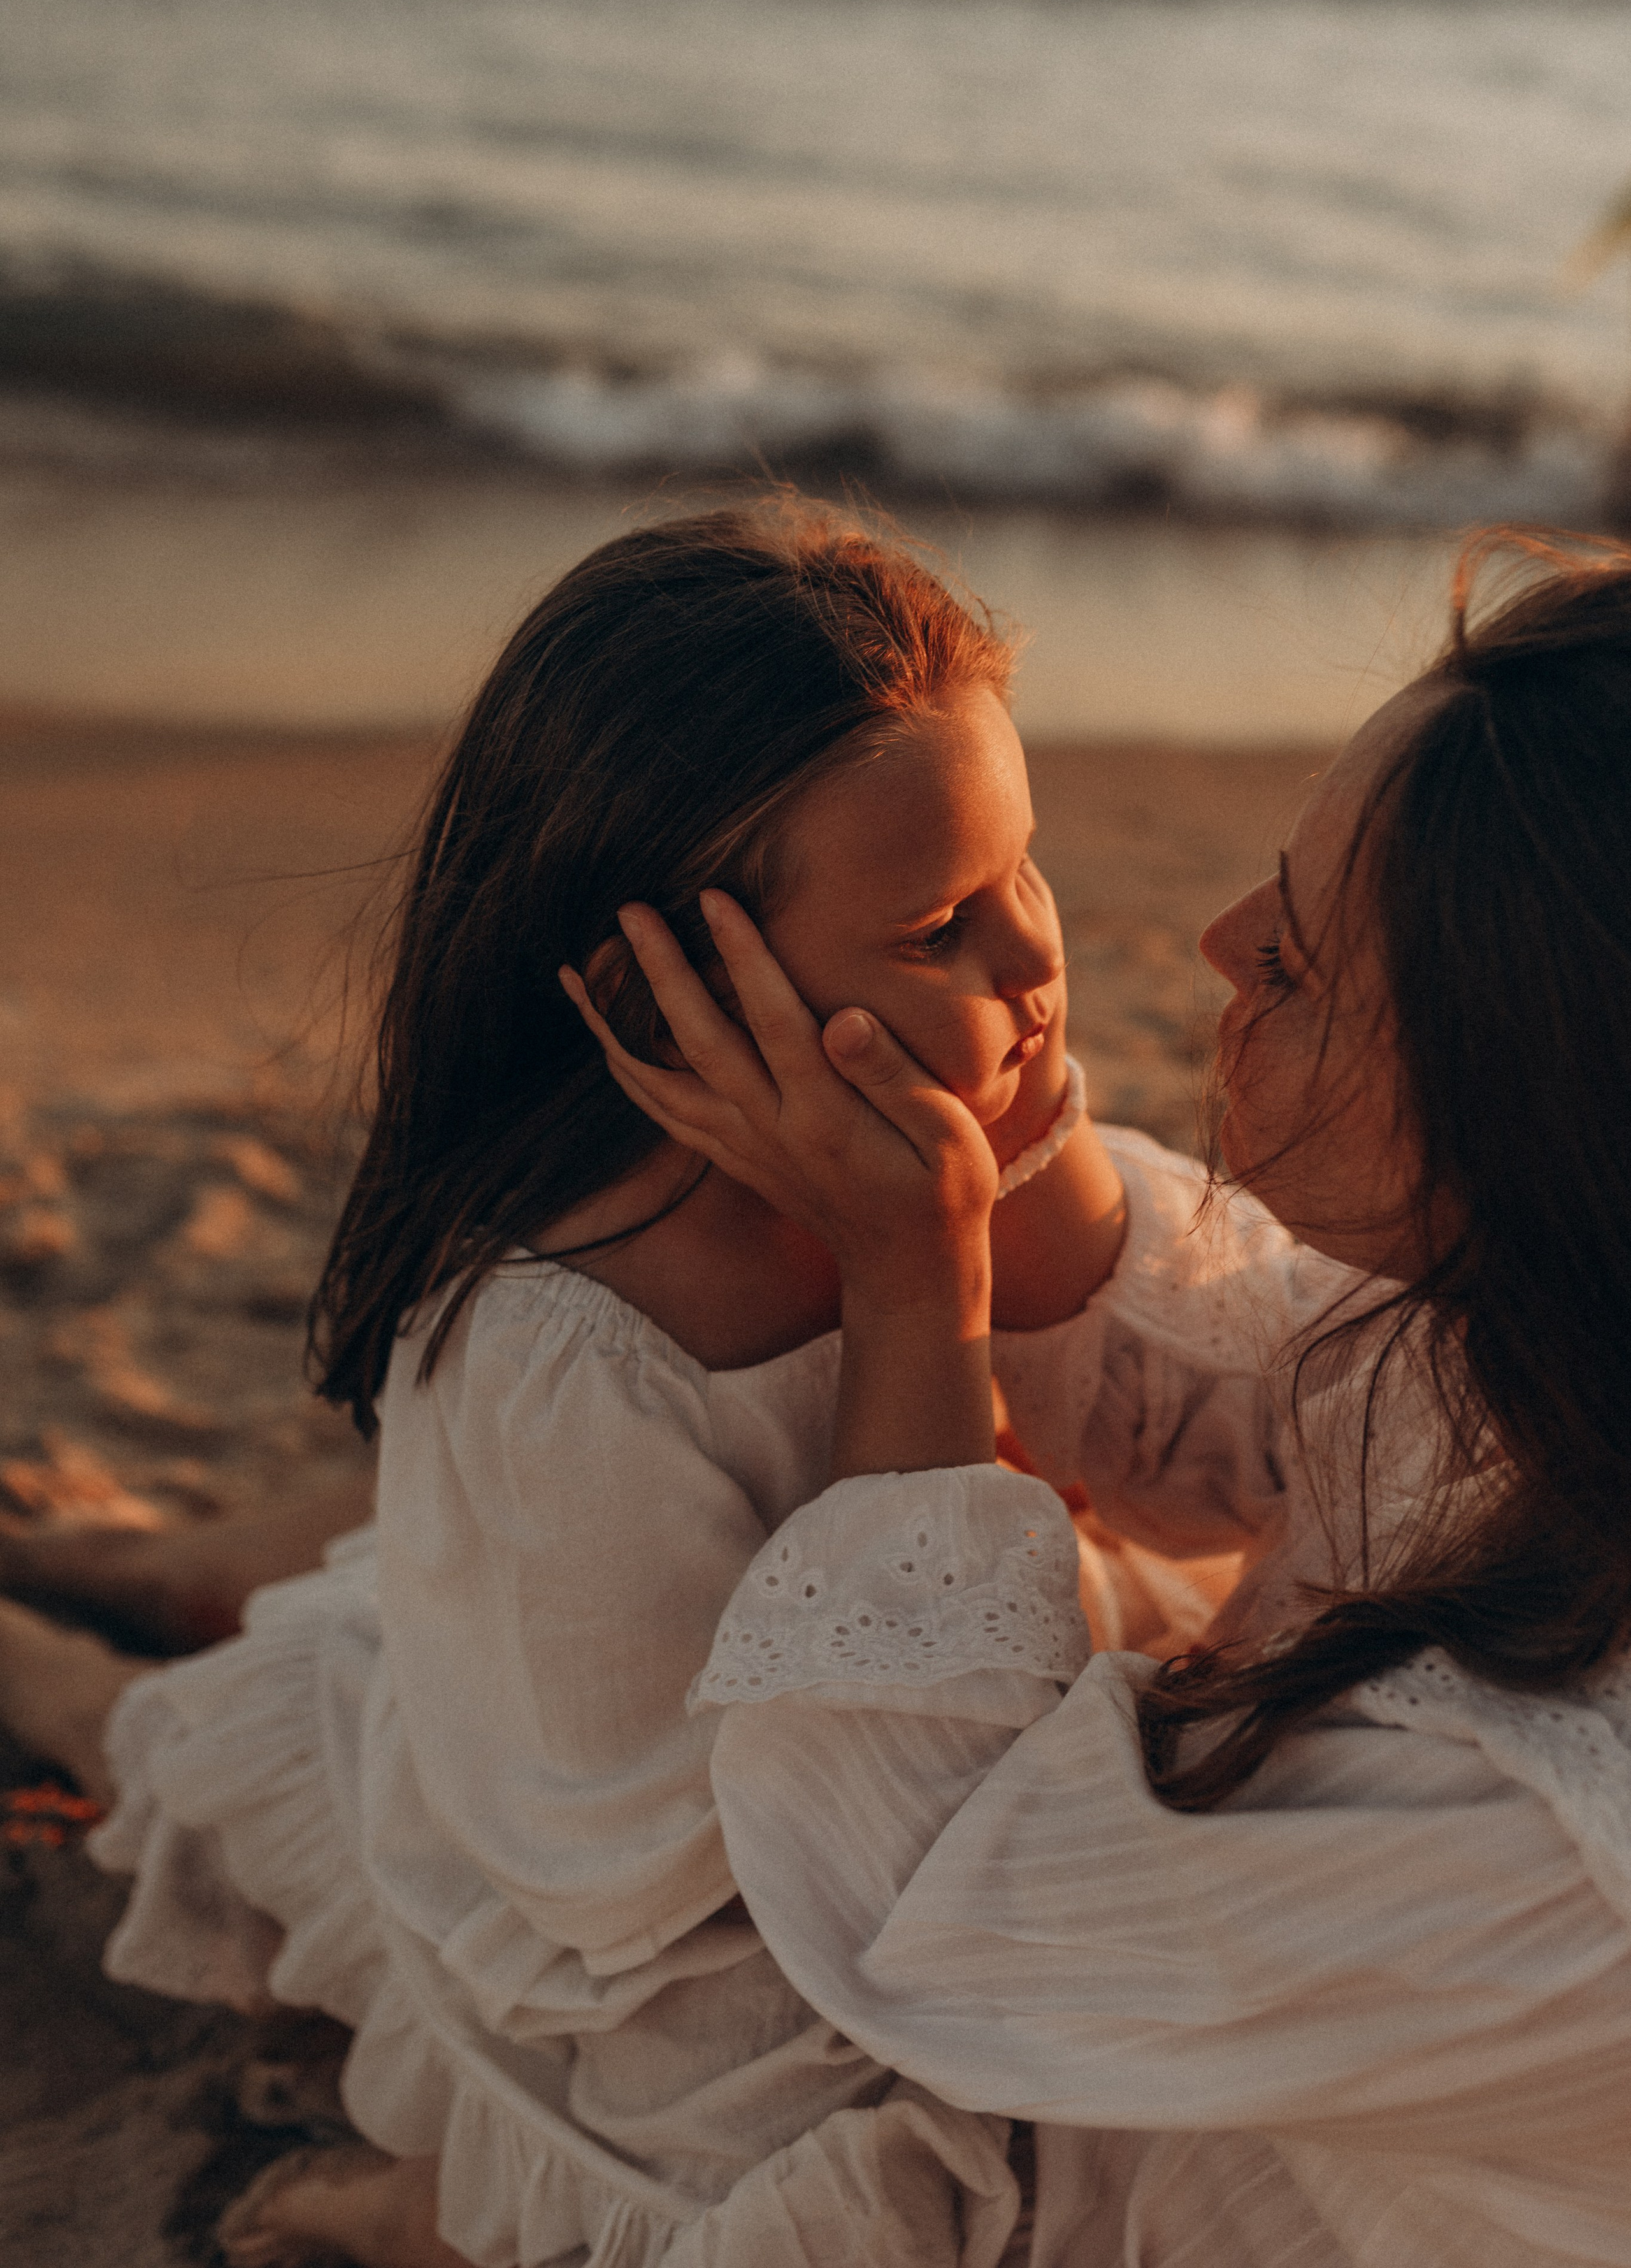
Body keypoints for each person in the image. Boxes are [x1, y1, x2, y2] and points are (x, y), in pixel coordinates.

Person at [0, 496, 1285, 2268]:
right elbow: (735, 1875)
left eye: (1024, 869)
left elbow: (1147, 1412)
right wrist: (922, 1277)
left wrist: (979, 1202)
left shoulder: (964, 1114)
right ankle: (55, 1656)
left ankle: (151, 1576)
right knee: (254, 1733)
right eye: (938, 929)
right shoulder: (573, 1346)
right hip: (681, 1893)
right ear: (671, 988)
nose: (1035, 964)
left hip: (918, 1731)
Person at [583, 533, 1631, 2268]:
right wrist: (1003, 1150)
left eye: (1293, 964)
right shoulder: (1560, 1324)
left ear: (1536, 1121)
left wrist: (917, 1275)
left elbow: (944, 1908)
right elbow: (1280, 1392)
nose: (1215, 942)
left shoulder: (1554, 1846)